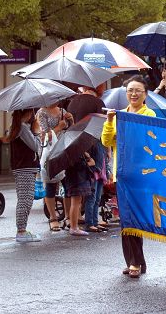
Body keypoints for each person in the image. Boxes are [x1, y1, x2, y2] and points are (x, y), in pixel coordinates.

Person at [102, 75, 156, 279]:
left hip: (140, 176)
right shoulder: (118, 115)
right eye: (130, 90)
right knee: (126, 220)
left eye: (138, 91)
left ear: (145, 94)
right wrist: (109, 122)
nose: (133, 94)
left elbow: (148, 142)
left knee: (134, 218)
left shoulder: (148, 114)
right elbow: (107, 140)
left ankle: (136, 262)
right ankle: (135, 261)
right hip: (121, 174)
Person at [66, 84, 106, 236]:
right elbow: (101, 126)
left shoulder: (73, 102)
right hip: (92, 145)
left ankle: (88, 220)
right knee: (93, 183)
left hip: (74, 146)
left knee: (79, 190)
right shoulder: (97, 103)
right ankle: (89, 221)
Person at [36, 103, 74, 231]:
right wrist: (59, 126)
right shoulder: (42, 112)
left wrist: (71, 120)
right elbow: (43, 135)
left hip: (64, 150)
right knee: (51, 185)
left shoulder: (62, 111)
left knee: (68, 185)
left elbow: (70, 131)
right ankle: (53, 218)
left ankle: (68, 216)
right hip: (50, 153)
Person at [5, 109, 42, 242]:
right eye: (32, 112)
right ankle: (21, 231)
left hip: (22, 167)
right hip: (25, 168)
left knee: (24, 199)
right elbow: (36, 146)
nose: (33, 115)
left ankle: (22, 230)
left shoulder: (17, 127)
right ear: (26, 114)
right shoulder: (23, 128)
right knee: (25, 200)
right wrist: (37, 131)